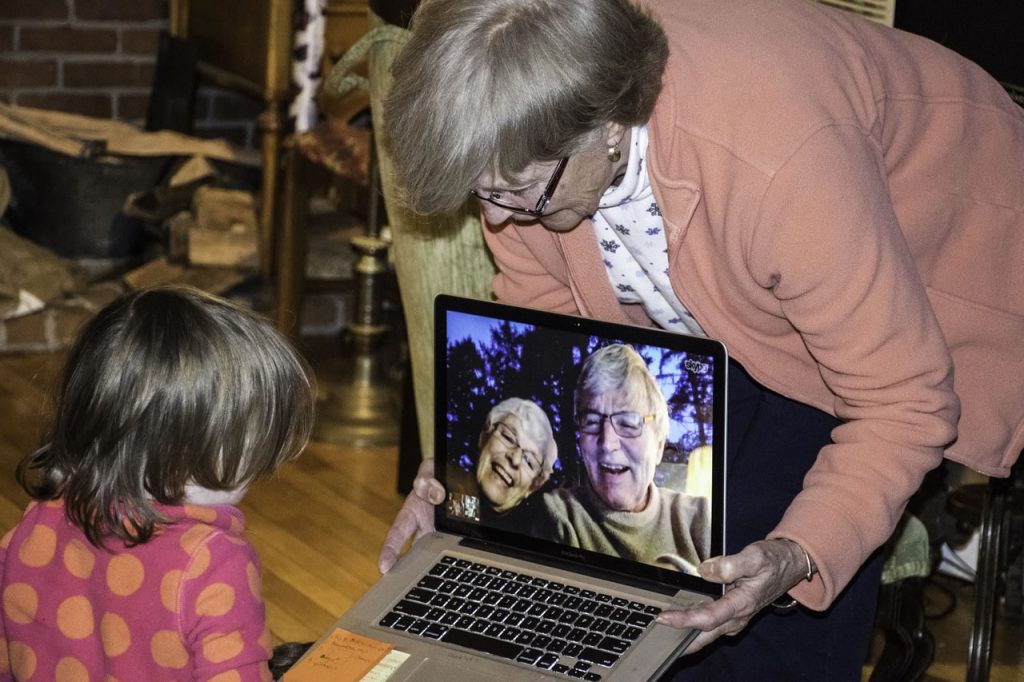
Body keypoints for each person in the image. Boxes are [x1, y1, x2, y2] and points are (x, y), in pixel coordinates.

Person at [375, 0, 1024, 679]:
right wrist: (461, 488)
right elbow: (552, 328)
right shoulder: (534, 150)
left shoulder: (777, 164)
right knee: (648, 563)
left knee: (755, 562)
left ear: (608, 126)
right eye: (481, 193)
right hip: (755, 293)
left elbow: (902, 402)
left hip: (939, 261)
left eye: (518, 193)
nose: (498, 219)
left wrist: (797, 553)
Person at [0, 286, 316, 680]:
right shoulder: (213, 560)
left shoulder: (35, 525)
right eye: (258, 440)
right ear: (189, 447)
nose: (266, 460)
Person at [539, 344, 710, 575]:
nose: (607, 443)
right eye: (591, 421)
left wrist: (679, 571)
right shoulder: (558, 514)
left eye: (628, 423)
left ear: (659, 446)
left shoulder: (701, 518)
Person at [447, 397, 558, 527]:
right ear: (484, 437)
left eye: (529, 461)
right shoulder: (446, 485)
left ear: (533, 486)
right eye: (508, 437)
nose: (515, 459)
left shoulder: (536, 532)